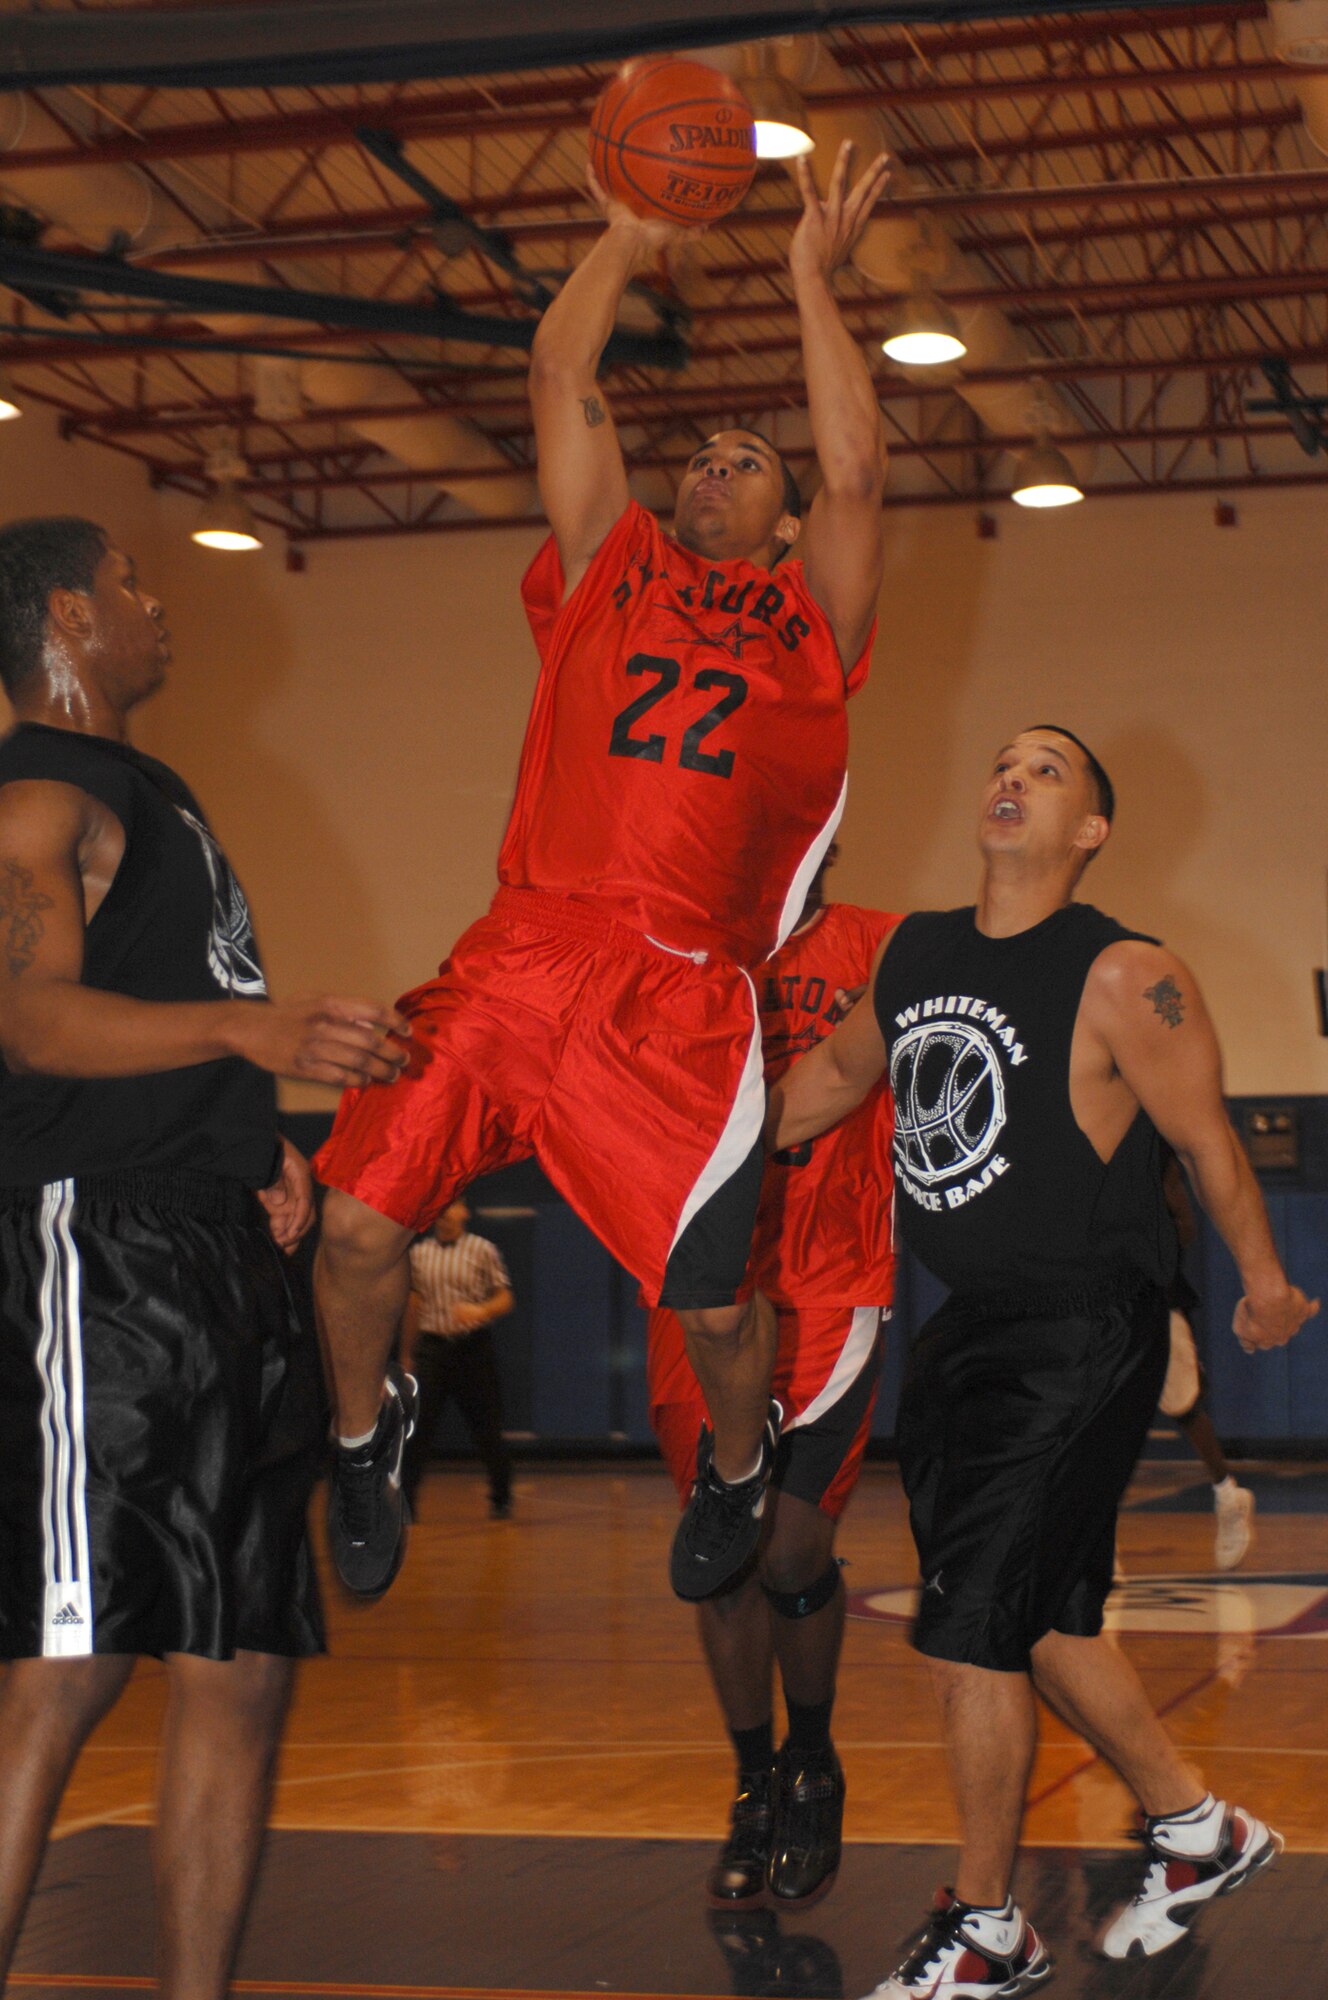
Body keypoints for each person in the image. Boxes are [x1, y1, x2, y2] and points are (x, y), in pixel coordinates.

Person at [312, 139, 892, 1605]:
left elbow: (865, 472)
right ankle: (362, 1431)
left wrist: (807, 280)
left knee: (713, 1298)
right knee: (358, 1221)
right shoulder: (606, 560)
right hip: (524, 948)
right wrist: (626, 239)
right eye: (703, 453)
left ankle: (743, 1464)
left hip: (682, 986)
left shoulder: (808, 625)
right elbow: (559, 370)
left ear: (780, 521)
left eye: (747, 463)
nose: (713, 467)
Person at [769, 725, 1319, 1997]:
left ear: (1091, 830)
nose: (1011, 777)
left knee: (971, 1625)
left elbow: (1206, 1141)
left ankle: (984, 1926)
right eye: (1002, 761)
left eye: (1049, 769)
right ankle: (1196, 1828)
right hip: (967, 1327)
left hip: (1082, 1329)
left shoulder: (1124, 971)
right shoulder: (914, 953)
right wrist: (690, 1152)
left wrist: (1267, 1279)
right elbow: (821, 1086)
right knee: (1045, 1616)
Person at [0, 517, 409, 1998]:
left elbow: (155, 1012)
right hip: (92, 1248)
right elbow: (35, 1024)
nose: (156, 606)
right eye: (129, 584)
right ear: (64, 614)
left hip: (213, 1248)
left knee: (238, 1666)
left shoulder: (147, 792)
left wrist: (258, 1141)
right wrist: (253, 1034)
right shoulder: (35, 795)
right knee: (65, 1666)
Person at [649, 847, 898, 1910]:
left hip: (831, 1274)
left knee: (792, 1542)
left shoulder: (884, 943)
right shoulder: (670, 953)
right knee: (722, 1557)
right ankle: (753, 1780)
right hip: (697, 1282)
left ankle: (813, 1757)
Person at [1159, 1149, 1255, 1569]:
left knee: (1183, 1407)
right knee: (1099, 1419)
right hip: (1093, 1304)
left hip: (1154, 1299)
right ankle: (1095, 1547)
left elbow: (1186, 1228)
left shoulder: (1154, 1159)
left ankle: (1227, 1494)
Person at [400, 1199, 515, 1521]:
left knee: (487, 1428)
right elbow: (414, 1304)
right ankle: (407, 1502)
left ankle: (501, 1498)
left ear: (463, 1212)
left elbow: (505, 1297)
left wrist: (481, 1310)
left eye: (450, 1207)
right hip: (433, 1348)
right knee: (418, 1430)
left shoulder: (482, 1249)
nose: (444, 1214)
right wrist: (407, 1353)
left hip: (472, 1349)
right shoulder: (419, 1254)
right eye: (439, 1209)